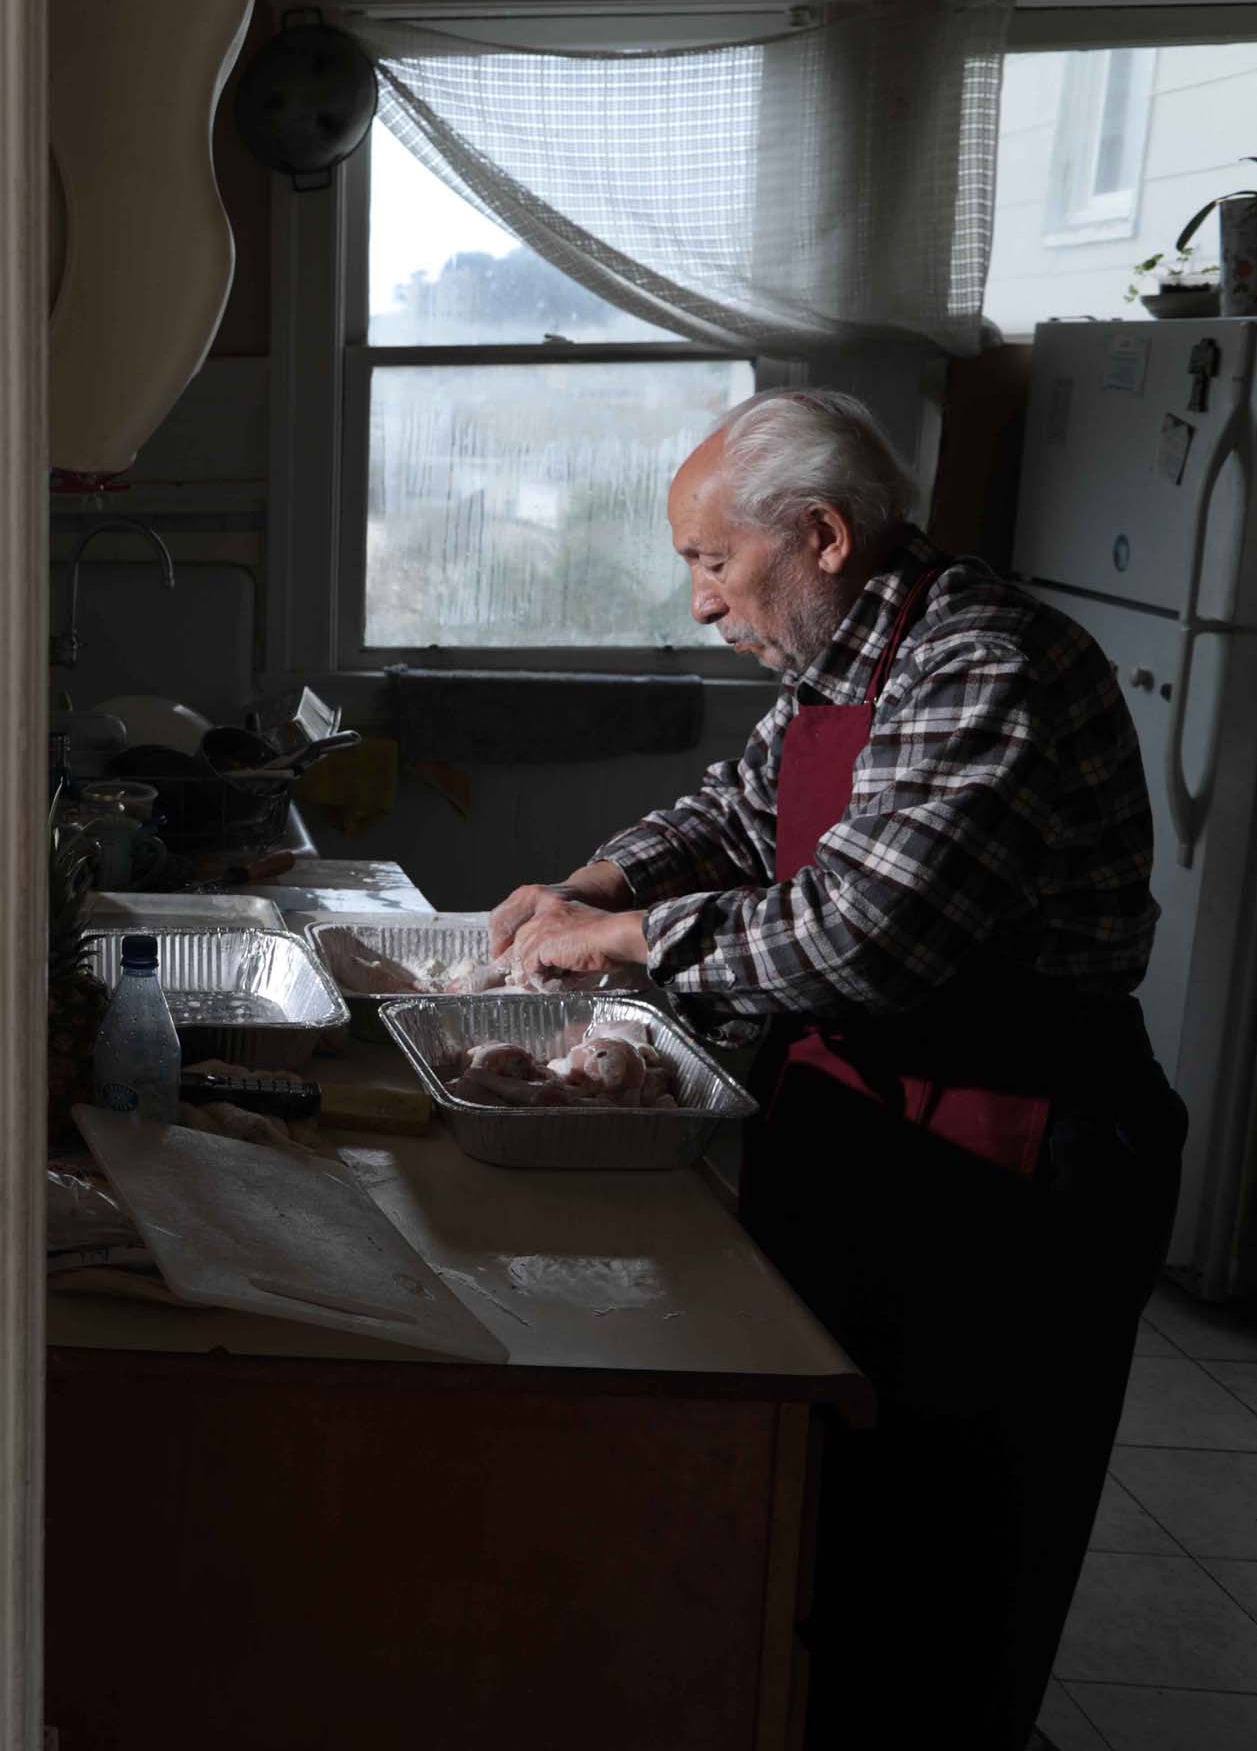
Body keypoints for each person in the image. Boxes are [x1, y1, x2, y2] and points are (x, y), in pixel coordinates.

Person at [491, 388, 1180, 1751]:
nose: (698, 603)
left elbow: (866, 933)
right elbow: (735, 811)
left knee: (957, 1544)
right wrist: (589, 881)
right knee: (822, 1496)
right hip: (864, 1126)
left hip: (1007, 1153)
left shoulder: (986, 665)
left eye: (712, 563)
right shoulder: (841, 655)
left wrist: (624, 941)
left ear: (818, 537)